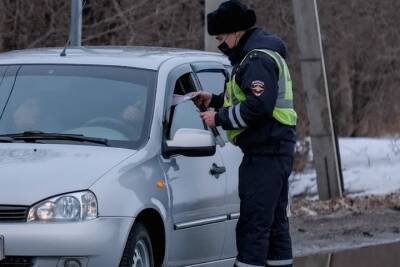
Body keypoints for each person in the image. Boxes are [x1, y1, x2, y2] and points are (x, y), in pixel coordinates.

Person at [194, 1, 297, 266]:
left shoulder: (257, 59)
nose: (221, 44)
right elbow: (248, 98)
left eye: (221, 38)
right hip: (272, 149)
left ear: (236, 32)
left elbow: (260, 106)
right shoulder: (255, 56)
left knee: (254, 227)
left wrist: (219, 118)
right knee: (274, 225)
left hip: (267, 151)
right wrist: (215, 100)